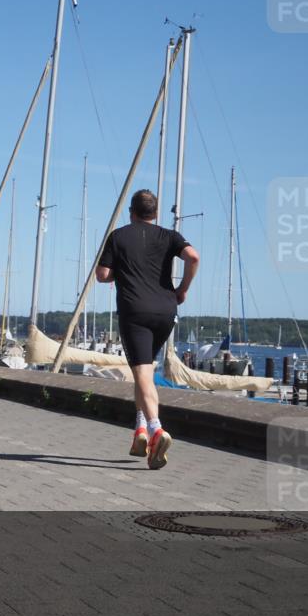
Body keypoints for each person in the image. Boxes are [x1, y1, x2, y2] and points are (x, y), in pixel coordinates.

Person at [96, 189, 199, 470]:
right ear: (155, 213)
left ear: (131, 211)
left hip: (135, 312)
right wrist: (183, 290)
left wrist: (124, 271)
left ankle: (155, 430)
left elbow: (102, 275)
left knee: (141, 373)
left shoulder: (119, 236)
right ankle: (139, 431)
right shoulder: (170, 236)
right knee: (146, 375)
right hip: (166, 312)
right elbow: (193, 257)